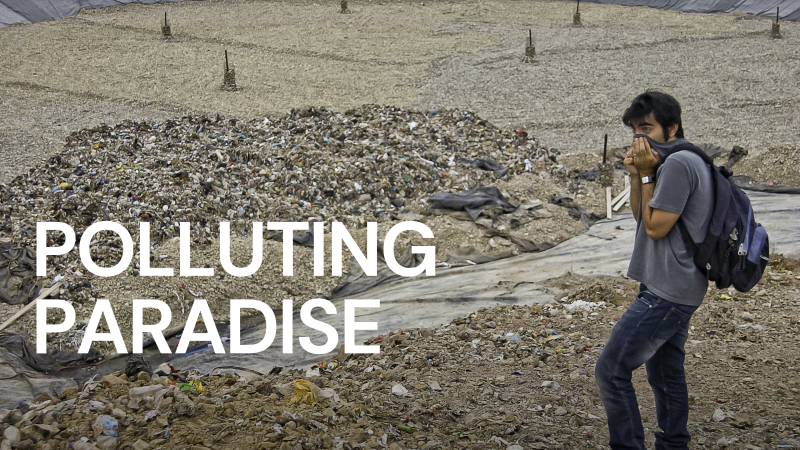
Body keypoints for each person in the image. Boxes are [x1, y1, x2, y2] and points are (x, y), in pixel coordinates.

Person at [594, 91, 714, 450]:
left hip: (668, 290)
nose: (638, 137)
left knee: (611, 369)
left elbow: (655, 228)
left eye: (646, 128)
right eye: (634, 129)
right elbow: (641, 216)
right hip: (673, 284)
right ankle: (674, 444)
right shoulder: (671, 161)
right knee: (664, 372)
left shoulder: (679, 164)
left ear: (671, 128)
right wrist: (638, 176)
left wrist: (648, 175)